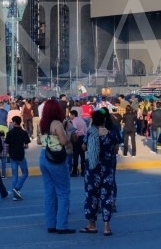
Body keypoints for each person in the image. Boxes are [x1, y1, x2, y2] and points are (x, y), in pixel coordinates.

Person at [81, 108, 120, 236]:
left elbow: (84, 147)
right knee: (106, 197)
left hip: (92, 170)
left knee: (91, 196)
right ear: (103, 120)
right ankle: (106, 227)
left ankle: (91, 225)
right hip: (107, 169)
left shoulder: (90, 133)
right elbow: (115, 150)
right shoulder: (110, 134)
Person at [39, 98, 75, 234]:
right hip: (56, 158)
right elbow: (64, 141)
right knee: (63, 191)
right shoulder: (57, 124)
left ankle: (51, 224)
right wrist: (69, 135)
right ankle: (62, 225)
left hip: (43, 156)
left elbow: (38, 139)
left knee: (49, 192)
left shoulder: (43, 124)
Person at [5, 115, 30, 200]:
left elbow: (7, 145)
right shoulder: (24, 132)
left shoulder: (9, 133)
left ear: (14, 122)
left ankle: (14, 193)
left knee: (14, 174)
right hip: (21, 155)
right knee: (25, 173)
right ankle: (17, 188)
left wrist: (8, 153)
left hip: (12, 155)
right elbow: (26, 145)